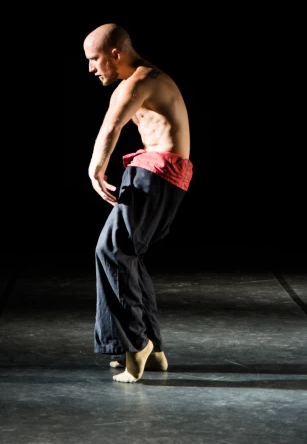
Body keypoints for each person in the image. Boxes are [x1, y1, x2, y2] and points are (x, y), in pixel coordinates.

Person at [83, 22, 193, 383]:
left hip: (156, 173)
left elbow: (111, 127)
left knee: (111, 252)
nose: (91, 68)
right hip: (159, 172)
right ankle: (153, 349)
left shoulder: (140, 81)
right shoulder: (142, 80)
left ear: (116, 53)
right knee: (126, 255)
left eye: (94, 59)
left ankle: (136, 344)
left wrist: (95, 170)